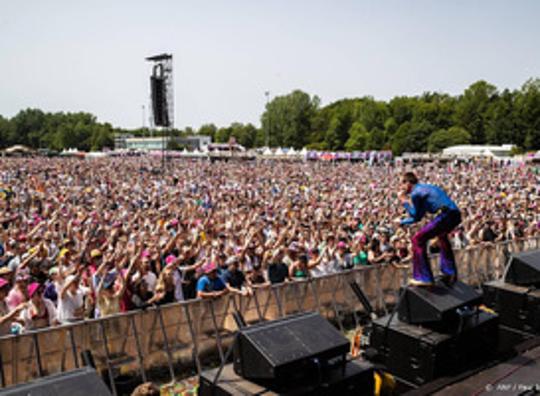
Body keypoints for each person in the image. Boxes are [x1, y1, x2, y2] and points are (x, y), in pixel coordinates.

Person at [396, 172, 461, 286]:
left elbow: (415, 216)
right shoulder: (427, 187)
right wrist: (403, 221)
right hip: (454, 214)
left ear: (408, 183)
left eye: (401, 183)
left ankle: (423, 277)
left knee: (417, 239)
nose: (400, 187)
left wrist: (404, 201)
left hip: (445, 215)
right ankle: (449, 272)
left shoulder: (416, 193)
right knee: (442, 236)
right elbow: (419, 216)